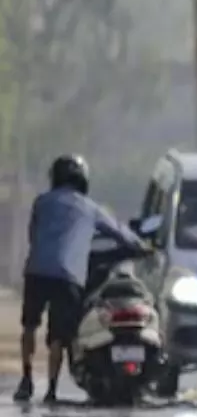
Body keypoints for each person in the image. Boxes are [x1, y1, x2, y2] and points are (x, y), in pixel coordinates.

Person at [15, 155, 149, 404]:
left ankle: (26, 379)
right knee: (57, 336)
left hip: (36, 270)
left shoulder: (42, 202)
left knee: (30, 326)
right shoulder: (89, 207)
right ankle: (51, 390)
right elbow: (120, 233)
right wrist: (143, 246)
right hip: (68, 276)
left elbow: (34, 234)